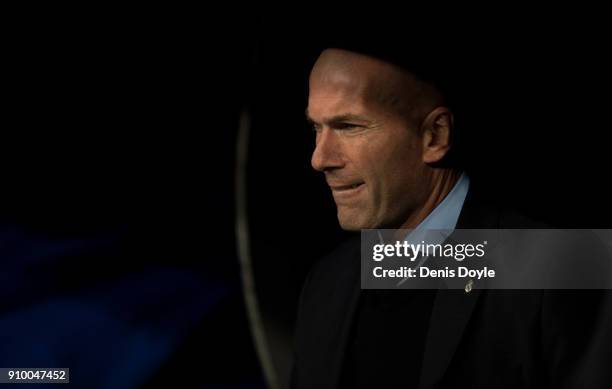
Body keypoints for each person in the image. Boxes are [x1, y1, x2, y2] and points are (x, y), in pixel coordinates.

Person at [291, 46, 612, 388]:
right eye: (316, 128)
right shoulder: (326, 283)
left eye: (349, 126)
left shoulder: (560, 270)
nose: (320, 158)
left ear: (436, 136)